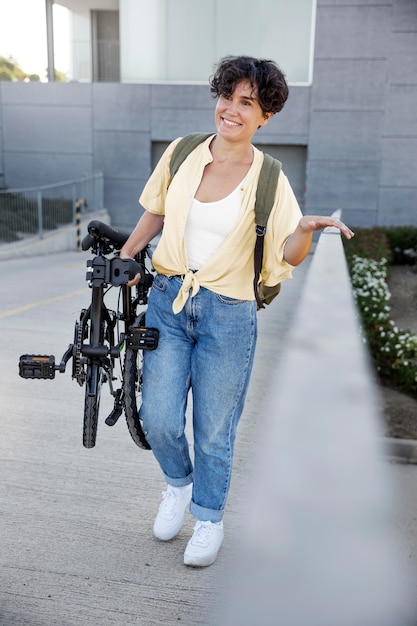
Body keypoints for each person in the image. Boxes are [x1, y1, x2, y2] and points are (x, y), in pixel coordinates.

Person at [120, 55, 354, 568]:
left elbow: (286, 255)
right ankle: (177, 487)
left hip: (229, 314)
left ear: (265, 115)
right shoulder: (182, 152)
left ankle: (208, 519)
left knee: (215, 427)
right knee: (157, 416)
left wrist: (305, 234)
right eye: (227, 96)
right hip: (169, 302)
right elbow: (156, 210)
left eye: (246, 102)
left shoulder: (270, 178)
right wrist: (126, 254)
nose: (231, 109)